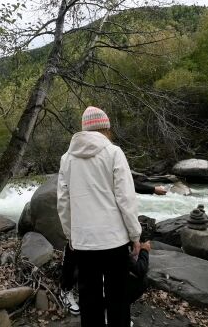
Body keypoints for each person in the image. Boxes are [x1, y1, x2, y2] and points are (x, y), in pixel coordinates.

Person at [57, 106, 142, 327]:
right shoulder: (114, 153)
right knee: (118, 297)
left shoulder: (67, 159)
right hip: (114, 239)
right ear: (106, 128)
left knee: (89, 298)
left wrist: (70, 235)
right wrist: (135, 235)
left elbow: (63, 203)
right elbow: (126, 199)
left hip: (84, 241)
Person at [59, 180, 165, 316]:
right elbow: (63, 197)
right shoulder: (71, 161)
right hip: (85, 216)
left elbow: (125, 181)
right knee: (76, 250)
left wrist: (152, 189)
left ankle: (108, 303)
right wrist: (69, 232)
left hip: (107, 217)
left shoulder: (111, 160)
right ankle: (66, 288)